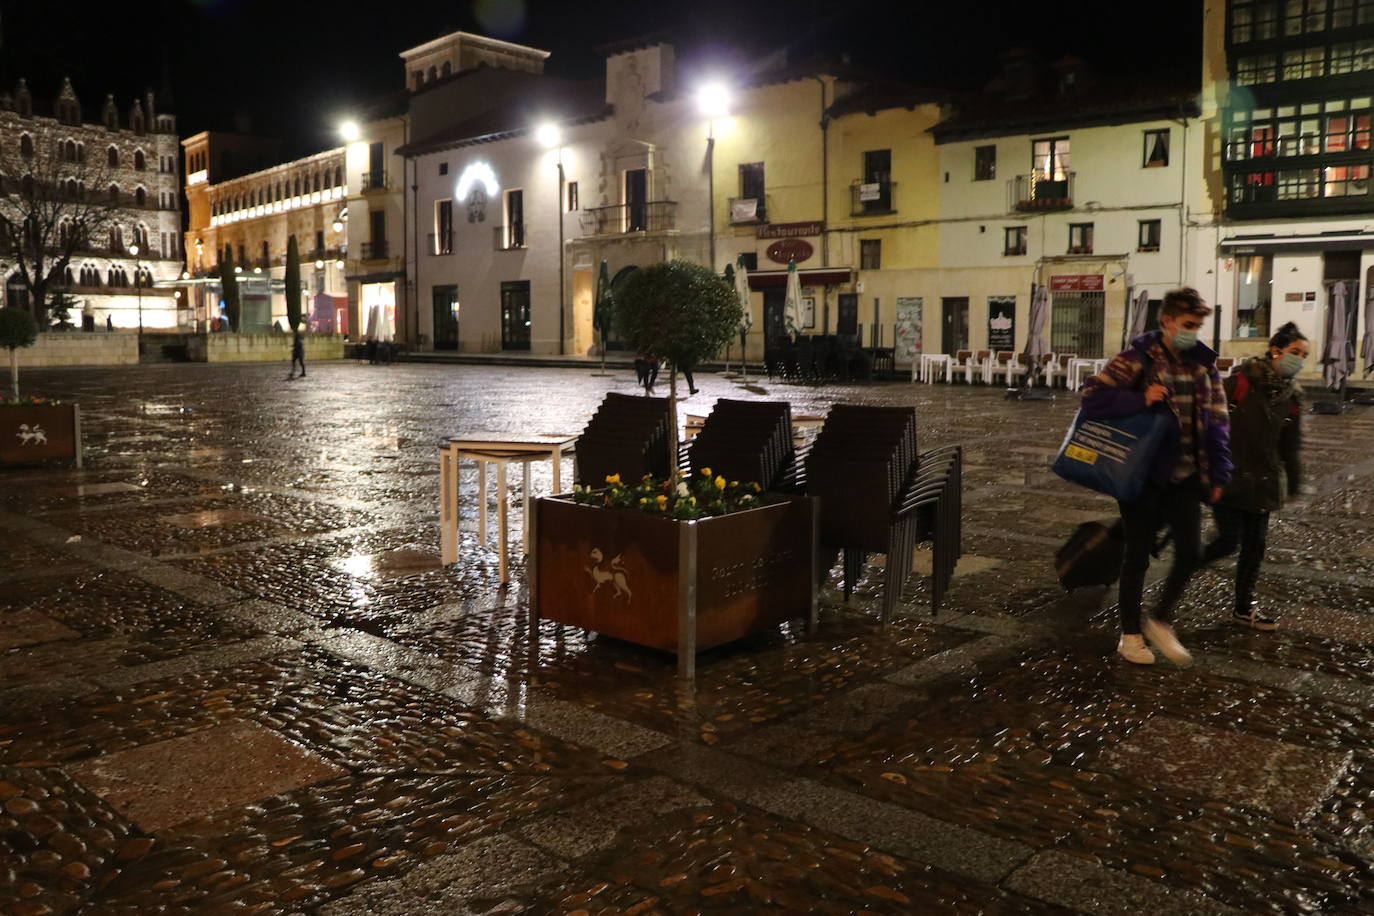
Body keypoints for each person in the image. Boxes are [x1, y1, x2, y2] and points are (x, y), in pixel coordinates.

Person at [1081, 287, 1232, 666]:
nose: (1193, 331)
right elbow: (1092, 397)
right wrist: (1139, 398)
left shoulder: (1204, 366)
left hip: (1184, 476)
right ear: (1166, 321)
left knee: (1190, 552)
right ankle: (1130, 635)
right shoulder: (1134, 359)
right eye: (1188, 324)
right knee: (1137, 556)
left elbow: (1218, 422)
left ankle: (1160, 619)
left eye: (1198, 325)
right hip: (1141, 476)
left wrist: (1219, 472)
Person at [1201, 322, 1307, 630]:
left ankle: (1243, 608)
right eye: (1295, 352)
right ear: (1275, 351)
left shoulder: (1292, 397)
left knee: (1254, 547)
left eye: (1303, 354)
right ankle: (1185, 566)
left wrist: (1294, 483)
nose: (1300, 359)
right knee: (1228, 540)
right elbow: (1209, 426)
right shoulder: (1239, 384)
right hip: (1229, 477)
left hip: (1264, 482)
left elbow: (1290, 445)